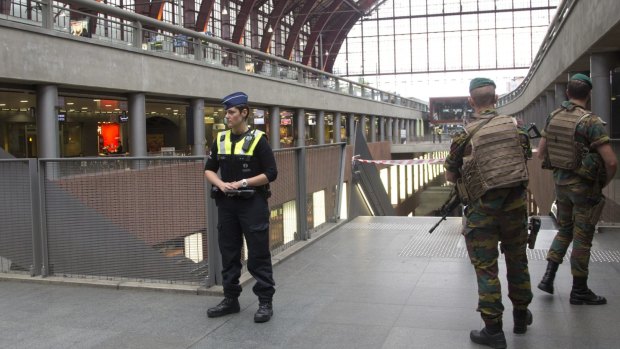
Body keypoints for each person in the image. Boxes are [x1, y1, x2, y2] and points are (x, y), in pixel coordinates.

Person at [444, 78, 533, 349]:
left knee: (486, 268)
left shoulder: (464, 135)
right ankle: (520, 316)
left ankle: (493, 330)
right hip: (515, 208)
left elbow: (450, 174)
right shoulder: (516, 129)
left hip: (482, 212)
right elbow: (524, 157)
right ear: (497, 98)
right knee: (517, 260)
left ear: (471, 101)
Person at [537, 73, 617, 305]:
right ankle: (579, 289)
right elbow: (611, 162)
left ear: (567, 93)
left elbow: (542, 153)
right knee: (583, 238)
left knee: (565, 230)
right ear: (589, 95)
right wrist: (602, 182)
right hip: (584, 189)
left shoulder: (553, 117)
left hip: (561, 186)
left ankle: (548, 276)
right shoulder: (591, 122)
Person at [204, 91, 278, 323]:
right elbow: (208, 169)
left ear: (244, 113)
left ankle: (265, 302)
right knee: (229, 252)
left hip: (252, 203)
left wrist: (243, 182)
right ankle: (230, 299)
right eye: (226, 112)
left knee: (258, 253)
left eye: (232, 112)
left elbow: (271, 173)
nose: (228, 116)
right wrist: (221, 184)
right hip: (227, 204)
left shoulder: (259, 139)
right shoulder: (221, 139)